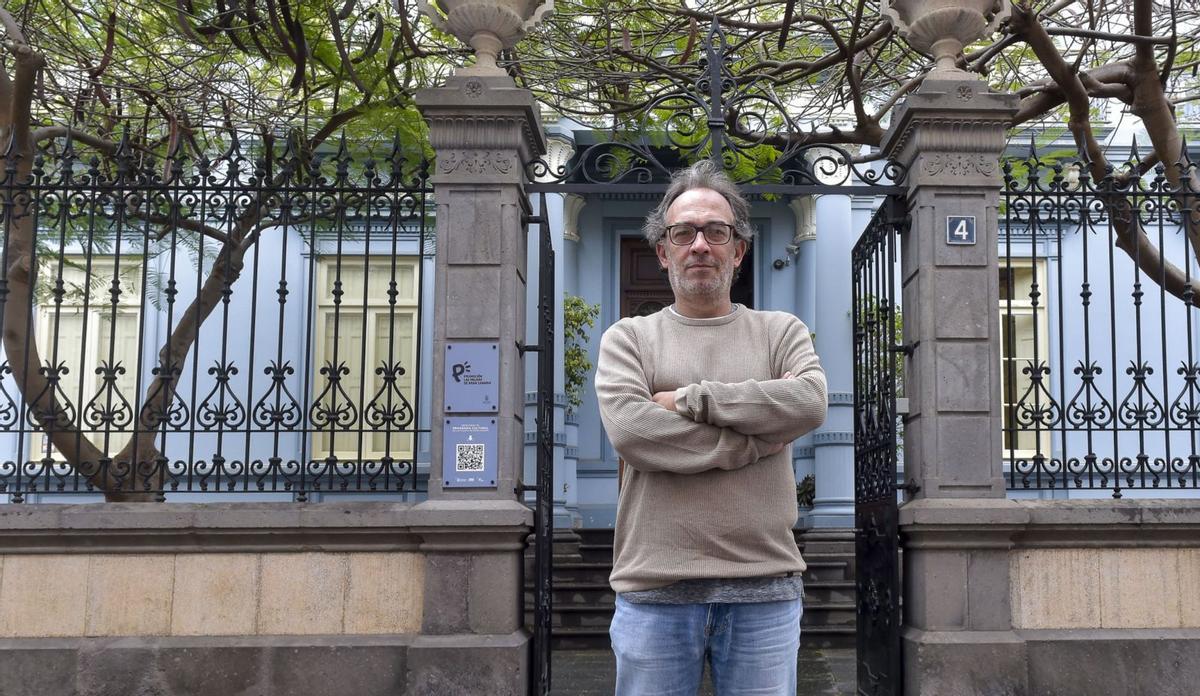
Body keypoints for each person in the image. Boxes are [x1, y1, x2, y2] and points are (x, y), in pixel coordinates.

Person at [595, 159, 828, 695]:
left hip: (764, 591)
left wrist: (689, 399)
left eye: (716, 231)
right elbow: (633, 431)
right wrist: (761, 436)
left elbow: (810, 402)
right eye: (684, 232)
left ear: (739, 249)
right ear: (663, 251)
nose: (700, 244)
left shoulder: (780, 331)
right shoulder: (628, 338)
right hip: (654, 590)